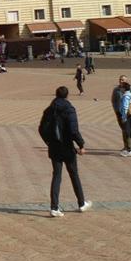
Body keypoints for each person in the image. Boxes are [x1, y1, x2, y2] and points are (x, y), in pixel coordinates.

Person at [38, 86, 92, 218]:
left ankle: (54, 207)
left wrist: (48, 142)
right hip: (67, 147)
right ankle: (81, 203)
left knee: (56, 176)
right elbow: (74, 130)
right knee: (74, 174)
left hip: (54, 147)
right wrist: (81, 144)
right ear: (67, 96)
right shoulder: (69, 109)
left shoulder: (49, 110)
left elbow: (41, 129)